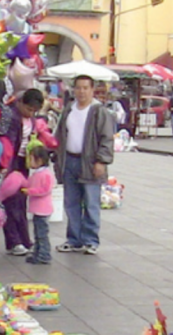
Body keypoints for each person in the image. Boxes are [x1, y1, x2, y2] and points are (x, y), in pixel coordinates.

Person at [53, 75, 114, 255]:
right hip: (69, 160)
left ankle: (90, 240)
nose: (81, 92)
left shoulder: (98, 111)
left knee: (90, 202)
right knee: (71, 202)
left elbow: (107, 138)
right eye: (78, 88)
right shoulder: (68, 110)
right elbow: (60, 134)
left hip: (90, 162)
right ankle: (74, 239)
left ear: (92, 89)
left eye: (85, 88)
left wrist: (101, 161)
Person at [3, 88, 45, 256]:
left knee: (21, 202)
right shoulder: (12, 117)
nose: (31, 113)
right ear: (20, 103)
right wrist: (7, 168)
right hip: (11, 163)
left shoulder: (31, 120)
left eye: (34, 111)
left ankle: (24, 239)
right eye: (28, 109)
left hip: (23, 163)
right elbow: (10, 144)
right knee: (11, 203)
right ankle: (14, 241)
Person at [21, 145, 55, 265]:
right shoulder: (36, 174)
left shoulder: (45, 174)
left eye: (31, 159)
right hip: (37, 209)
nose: (29, 162)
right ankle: (38, 253)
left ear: (39, 160)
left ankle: (44, 255)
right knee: (37, 233)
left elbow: (45, 190)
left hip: (43, 210)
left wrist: (30, 191)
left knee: (42, 234)